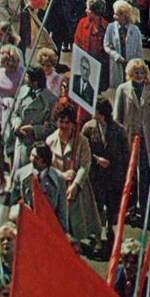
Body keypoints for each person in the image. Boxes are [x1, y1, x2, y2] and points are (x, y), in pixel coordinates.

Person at [47, 104, 100, 250]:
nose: (64, 126)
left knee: (81, 221)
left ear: (73, 123)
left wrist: (76, 184)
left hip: (79, 188)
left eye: (67, 122)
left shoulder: (82, 141)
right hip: (58, 187)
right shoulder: (50, 141)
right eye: (61, 121)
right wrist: (62, 175)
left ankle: (89, 242)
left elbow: (85, 165)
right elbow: (47, 166)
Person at [82, 95, 129, 258]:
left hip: (114, 176)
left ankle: (111, 233)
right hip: (96, 176)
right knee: (97, 209)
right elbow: (84, 150)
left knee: (112, 208)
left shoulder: (118, 129)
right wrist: (97, 160)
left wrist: (124, 175)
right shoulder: (88, 128)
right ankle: (97, 240)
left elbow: (125, 154)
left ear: (102, 112)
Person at [113, 58, 150, 218]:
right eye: (136, 72)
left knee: (145, 172)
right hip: (129, 136)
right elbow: (117, 116)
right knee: (130, 173)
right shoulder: (122, 89)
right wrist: (117, 138)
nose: (139, 75)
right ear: (130, 74)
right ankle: (131, 207)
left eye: (142, 72)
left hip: (146, 138)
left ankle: (145, 208)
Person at [103, 0, 143, 90]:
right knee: (118, 89)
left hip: (131, 64)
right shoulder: (111, 27)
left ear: (124, 15)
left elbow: (139, 51)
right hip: (117, 63)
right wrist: (116, 56)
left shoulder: (135, 30)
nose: (114, 16)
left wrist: (139, 66)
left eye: (116, 14)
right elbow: (106, 45)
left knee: (131, 89)